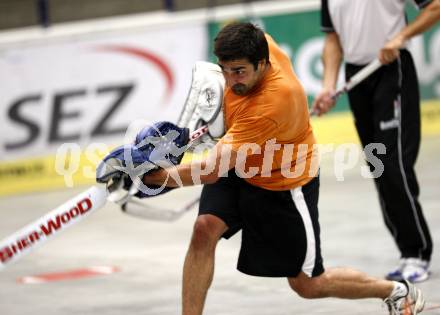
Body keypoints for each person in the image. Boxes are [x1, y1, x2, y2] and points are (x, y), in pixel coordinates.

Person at [142, 22, 425, 315]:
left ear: (262, 64)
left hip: (282, 184)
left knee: (308, 285)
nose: (229, 80)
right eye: (224, 69)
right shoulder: (258, 44)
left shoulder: (272, 102)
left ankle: (396, 291)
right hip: (241, 164)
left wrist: (158, 179)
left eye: (238, 71)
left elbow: (212, 169)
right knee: (204, 229)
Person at [312, 0, 440, 283]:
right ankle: (407, 253)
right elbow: (333, 40)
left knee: (394, 164)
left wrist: (400, 37)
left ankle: (418, 252)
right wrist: (328, 85)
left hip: (392, 69)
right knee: (379, 167)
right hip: (357, 76)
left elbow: (435, 7)